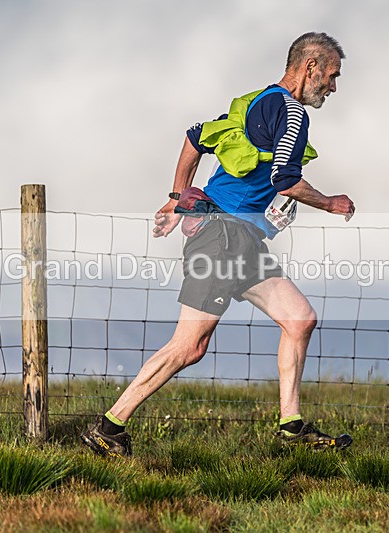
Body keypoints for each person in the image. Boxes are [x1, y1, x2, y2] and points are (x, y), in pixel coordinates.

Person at [82, 32, 356, 458]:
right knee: (189, 345)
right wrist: (329, 202)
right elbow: (286, 178)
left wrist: (179, 197)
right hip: (220, 237)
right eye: (333, 76)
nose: (334, 87)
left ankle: (292, 425)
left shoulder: (255, 101)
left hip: (240, 239)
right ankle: (109, 426)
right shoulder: (292, 113)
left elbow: (195, 138)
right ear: (311, 67)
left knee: (300, 318)